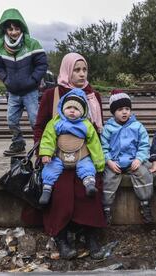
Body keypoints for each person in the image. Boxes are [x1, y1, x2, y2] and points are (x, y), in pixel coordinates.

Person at [28, 53, 105, 260]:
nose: (81, 74)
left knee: (89, 187)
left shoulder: (92, 96)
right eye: (76, 70)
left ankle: (91, 236)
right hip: (56, 156)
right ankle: (61, 237)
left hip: (83, 155)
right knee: (59, 188)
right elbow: (40, 127)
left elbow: (96, 132)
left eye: (84, 70)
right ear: (67, 71)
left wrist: (99, 159)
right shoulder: (52, 94)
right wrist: (42, 153)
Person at [0, 8, 48, 156]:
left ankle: (41, 146)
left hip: (30, 91)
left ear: (22, 28)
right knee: (11, 120)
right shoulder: (0, 46)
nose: (14, 32)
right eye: (10, 29)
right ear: (5, 29)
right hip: (13, 92)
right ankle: (18, 143)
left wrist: (33, 80)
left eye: (17, 28)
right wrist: (6, 80)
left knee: (35, 121)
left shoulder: (32, 44)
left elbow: (42, 64)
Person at [38, 89, 105, 205]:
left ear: (83, 111)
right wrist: (46, 153)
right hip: (60, 155)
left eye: (77, 109)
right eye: (69, 108)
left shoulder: (86, 125)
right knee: (51, 167)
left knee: (87, 166)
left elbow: (94, 143)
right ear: (63, 108)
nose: (72, 111)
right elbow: (48, 137)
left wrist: (99, 163)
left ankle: (89, 184)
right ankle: (47, 189)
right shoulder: (56, 122)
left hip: (81, 155)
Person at [101, 90, 153, 224]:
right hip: (115, 162)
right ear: (113, 112)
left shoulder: (137, 126)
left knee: (143, 173)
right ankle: (106, 209)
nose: (124, 112)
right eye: (120, 109)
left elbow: (144, 144)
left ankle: (145, 204)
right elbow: (103, 146)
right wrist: (109, 161)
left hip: (132, 161)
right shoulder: (108, 128)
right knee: (108, 178)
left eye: (127, 109)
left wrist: (139, 159)